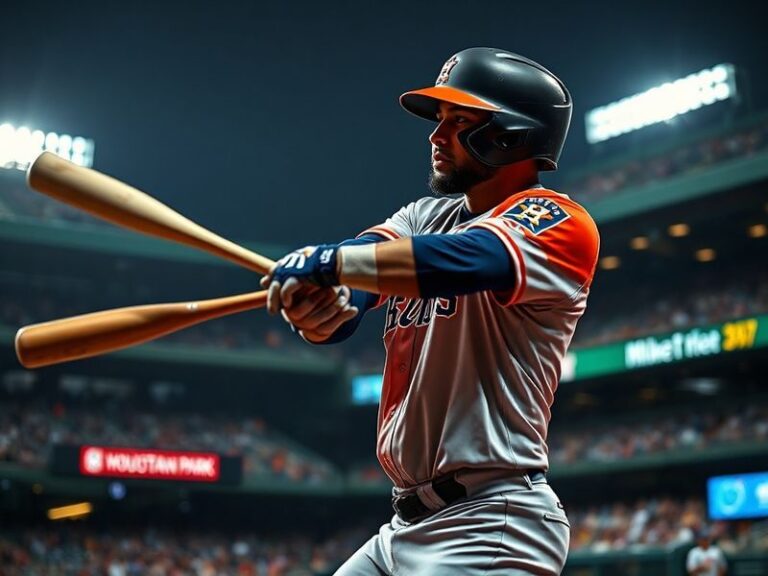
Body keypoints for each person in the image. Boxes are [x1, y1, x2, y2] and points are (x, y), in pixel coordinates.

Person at [262, 47, 600, 575]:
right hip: (403, 527)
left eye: (459, 121)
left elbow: (469, 259)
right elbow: (357, 296)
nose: (435, 137)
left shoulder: (559, 220)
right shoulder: (425, 216)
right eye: (440, 121)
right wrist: (322, 306)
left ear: (510, 135)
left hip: (491, 520)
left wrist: (331, 262)